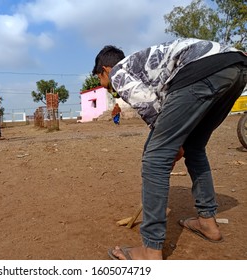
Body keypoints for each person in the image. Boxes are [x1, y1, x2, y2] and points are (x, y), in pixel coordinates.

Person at [92, 38, 247, 260]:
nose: (102, 84)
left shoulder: (118, 71)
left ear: (106, 69)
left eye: (100, 77)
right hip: (236, 66)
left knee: (155, 158)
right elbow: (167, 108)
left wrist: (169, 147)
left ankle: (150, 250)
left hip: (201, 71)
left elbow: (150, 107)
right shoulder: (144, 67)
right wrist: (177, 143)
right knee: (194, 147)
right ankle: (208, 224)